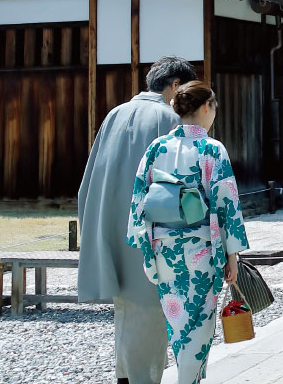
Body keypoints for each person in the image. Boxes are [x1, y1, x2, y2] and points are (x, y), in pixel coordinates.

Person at [78, 56, 196, 384]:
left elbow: (90, 180)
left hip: (110, 230)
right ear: (174, 86)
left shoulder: (115, 114)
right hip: (151, 238)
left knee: (127, 315)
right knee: (148, 317)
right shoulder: (170, 118)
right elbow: (182, 188)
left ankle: (125, 377)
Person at [128, 81, 249, 384]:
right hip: (200, 254)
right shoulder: (212, 149)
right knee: (199, 326)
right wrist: (232, 256)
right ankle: (187, 380)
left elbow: (139, 199)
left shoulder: (157, 148)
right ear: (206, 107)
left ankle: (189, 378)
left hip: (164, 253)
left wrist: (144, 245)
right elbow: (226, 205)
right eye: (215, 106)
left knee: (179, 327)